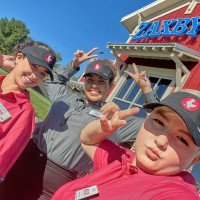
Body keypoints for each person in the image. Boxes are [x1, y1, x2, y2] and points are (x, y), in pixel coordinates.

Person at [0, 48, 158, 200]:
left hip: (51, 185)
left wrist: (147, 92)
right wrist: (74, 64)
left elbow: (155, 128)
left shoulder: (114, 118)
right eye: (90, 80)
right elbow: (53, 81)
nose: (94, 85)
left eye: (101, 81)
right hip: (21, 160)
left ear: (110, 86)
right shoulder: (66, 97)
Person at [51, 90, 200, 200]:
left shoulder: (173, 192)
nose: (161, 141)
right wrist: (102, 129)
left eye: (182, 139)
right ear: (145, 121)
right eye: (159, 122)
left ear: (196, 158)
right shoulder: (123, 159)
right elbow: (87, 140)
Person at [0, 40, 56, 182]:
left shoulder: (24, 112)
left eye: (43, 74)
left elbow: (4, 157)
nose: (35, 76)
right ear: (19, 58)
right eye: (34, 66)